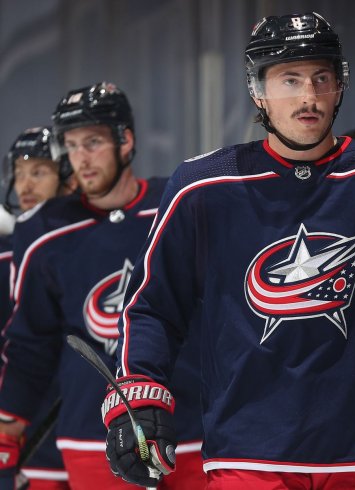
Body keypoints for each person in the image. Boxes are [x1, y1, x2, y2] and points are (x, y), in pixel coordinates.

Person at [106, 13, 355, 489]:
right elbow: (152, 307)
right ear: (258, 90)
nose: (309, 96)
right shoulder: (203, 187)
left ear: (340, 86)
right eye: (290, 80)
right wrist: (139, 397)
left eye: (321, 79)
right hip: (250, 453)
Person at [0, 82, 207, 490]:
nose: (82, 158)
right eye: (72, 146)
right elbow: (31, 344)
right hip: (93, 439)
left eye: (93, 142)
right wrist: (8, 426)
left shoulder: (179, 203)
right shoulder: (44, 230)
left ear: (125, 140)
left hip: (195, 426)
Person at [0, 127, 76, 489]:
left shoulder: (95, 241)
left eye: (39, 171)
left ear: (64, 174)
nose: (25, 184)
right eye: (19, 172)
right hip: (27, 427)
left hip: (88, 423)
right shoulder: (6, 255)